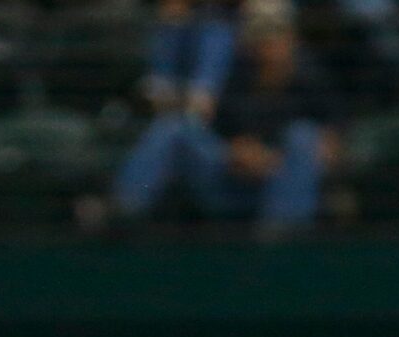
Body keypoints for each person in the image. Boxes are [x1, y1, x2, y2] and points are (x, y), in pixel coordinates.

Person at [113, 0, 338, 235]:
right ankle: (120, 214)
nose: (269, 45)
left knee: (302, 135)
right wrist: (238, 151)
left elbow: (331, 145)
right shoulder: (238, 75)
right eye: (261, 37)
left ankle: (281, 247)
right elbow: (215, 131)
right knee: (174, 129)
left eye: (276, 35)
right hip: (234, 183)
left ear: (292, 38)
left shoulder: (311, 79)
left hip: (285, 187)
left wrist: (274, 161)